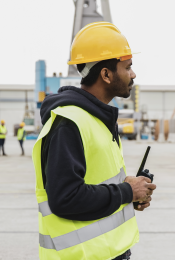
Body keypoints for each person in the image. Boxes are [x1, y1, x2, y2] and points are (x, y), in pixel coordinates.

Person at [32, 22, 156, 260]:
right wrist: (126, 191)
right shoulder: (68, 123)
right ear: (106, 75)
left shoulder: (97, 118)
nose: (133, 74)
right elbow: (65, 198)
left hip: (107, 252)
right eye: (128, 67)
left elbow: (96, 182)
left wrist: (130, 192)